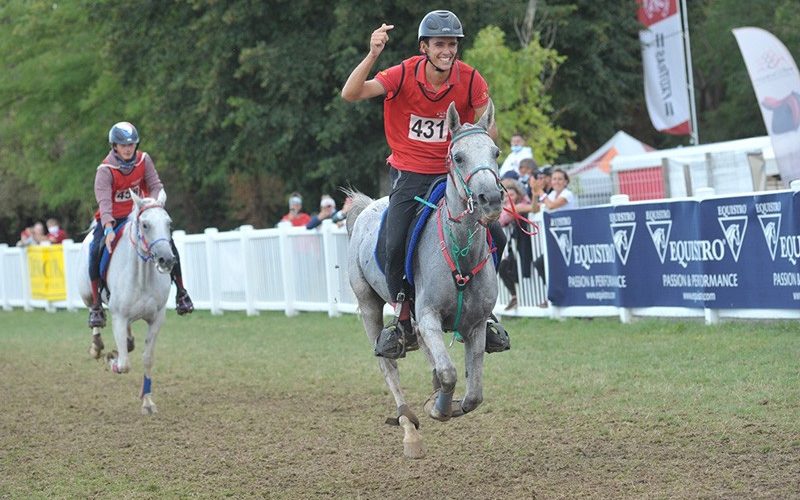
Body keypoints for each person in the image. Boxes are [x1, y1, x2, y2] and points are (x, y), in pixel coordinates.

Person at [341, 9, 508, 357]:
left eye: (452, 44)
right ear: (424, 47)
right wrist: (372, 54)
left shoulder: (471, 79)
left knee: (498, 234)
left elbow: (488, 128)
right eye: (439, 44)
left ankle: (484, 313)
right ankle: (403, 319)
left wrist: (479, 152)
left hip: (455, 174)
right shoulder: (402, 74)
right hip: (410, 175)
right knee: (394, 240)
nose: (447, 51)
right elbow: (351, 93)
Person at [87, 121, 194, 328]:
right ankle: (96, 305)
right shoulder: (105, 170)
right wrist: (108, 228)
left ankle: (181, 293)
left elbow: (155, 185)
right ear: (114, 146)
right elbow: (104, 202)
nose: (128, 149)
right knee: (95, 249)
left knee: (168, 244)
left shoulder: (144, 160)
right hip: (114, 219)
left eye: (131, 144)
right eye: (123, 145)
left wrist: (152, 205)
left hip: (141, 215)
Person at [532, 168, 574, 303]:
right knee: (541, 263)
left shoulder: (567, 194)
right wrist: (534, 194)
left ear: (566, 181)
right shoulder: (552, 194)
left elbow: (551, 206)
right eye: (554, 179)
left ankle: (561, 295)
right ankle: (552, 293)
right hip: (555, 237)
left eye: (560, 179)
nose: (556, 181)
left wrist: (541, 192)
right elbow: (535, 209)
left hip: (568, 237)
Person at [498, 178, 533, 311]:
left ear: (518, 194)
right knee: (503, 267)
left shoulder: (519, 205)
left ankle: (519, 297)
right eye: (506, 196)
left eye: (511, 195)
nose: (508, 198)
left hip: (527, 244)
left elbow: (501, 220)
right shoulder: (507, 207)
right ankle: (514, 296)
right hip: (514, 245)